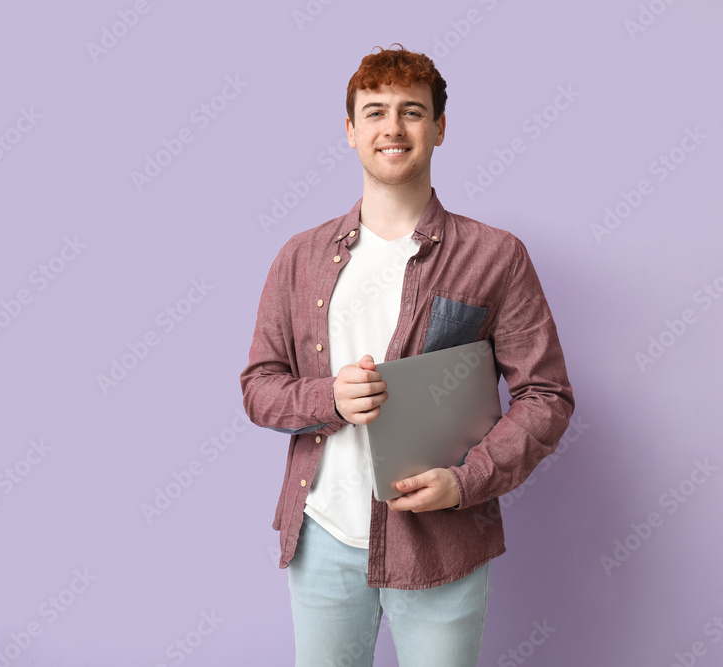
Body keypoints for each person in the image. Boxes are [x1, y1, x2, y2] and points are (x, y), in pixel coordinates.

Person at [239, 45, 574, 666]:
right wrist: (327, 398)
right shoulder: (299, 256)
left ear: (439, 128)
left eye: (411, 111)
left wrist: (466, 481)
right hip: (322, 538)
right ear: (350, 131)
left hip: (441, 542)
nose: (392, 128)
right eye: (374, 112)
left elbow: (546, 396)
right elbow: (259, 385)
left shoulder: (496, 256)